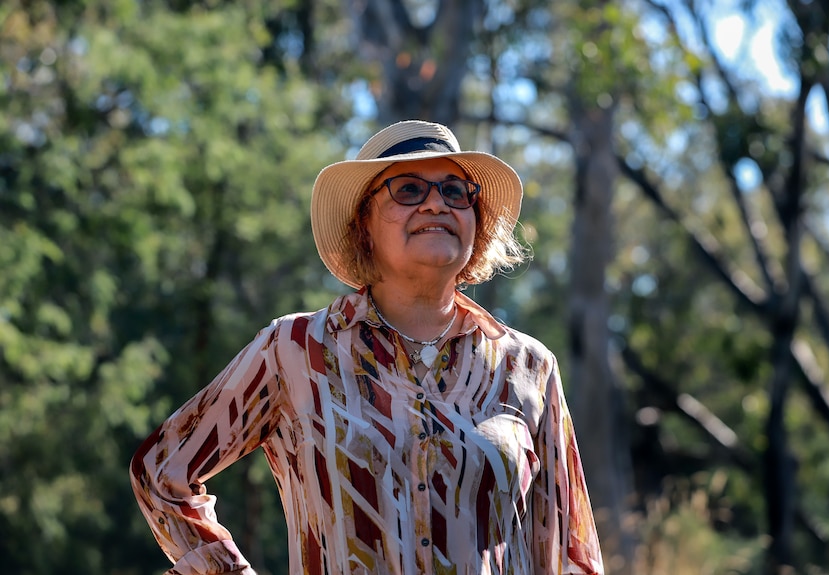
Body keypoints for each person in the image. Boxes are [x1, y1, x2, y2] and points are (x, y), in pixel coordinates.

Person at [130, 120, 604, 575]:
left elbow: (570, 553)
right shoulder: (295, 351)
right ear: (364, 224)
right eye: (409, 189)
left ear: (475, 220)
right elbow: (160, 472)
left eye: (455, 191)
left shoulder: (527, 367)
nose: (436, 204)